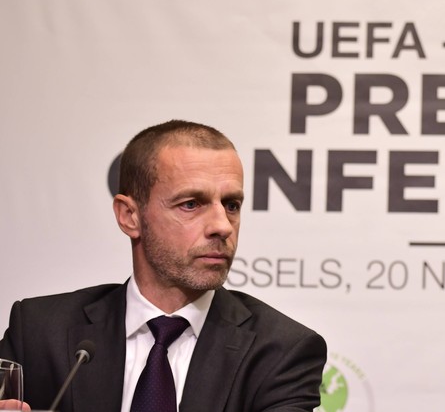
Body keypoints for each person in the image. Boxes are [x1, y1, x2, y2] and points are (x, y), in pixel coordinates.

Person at [0, 120, 326, 412]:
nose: (222, 226)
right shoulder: (40, 331)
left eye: (232, 205)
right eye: (191, 204)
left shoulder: (281, 351)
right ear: (130, 216)